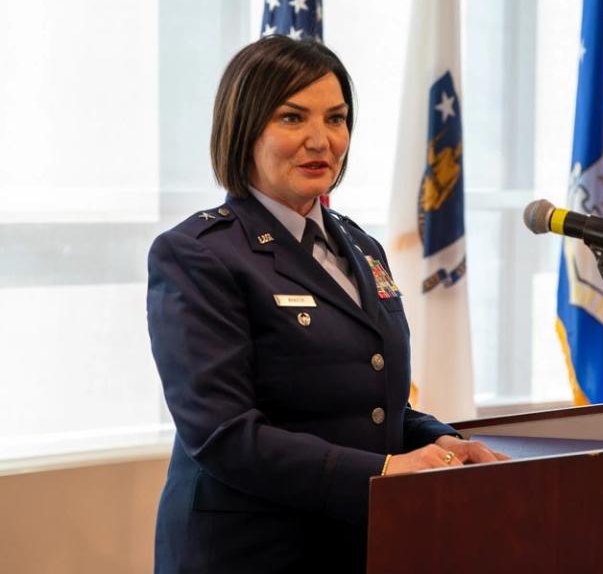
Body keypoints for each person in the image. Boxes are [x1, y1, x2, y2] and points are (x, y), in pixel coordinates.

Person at [147, 35, 505, 574]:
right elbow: (224, 435)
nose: (321, 140)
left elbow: (369, 403)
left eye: (336, 119)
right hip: (248, 551)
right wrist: (386, 471)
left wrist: (446, 443)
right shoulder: (198, 255)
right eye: (293, 118)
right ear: (244, 129)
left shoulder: (359, 246)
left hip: (357, 543)